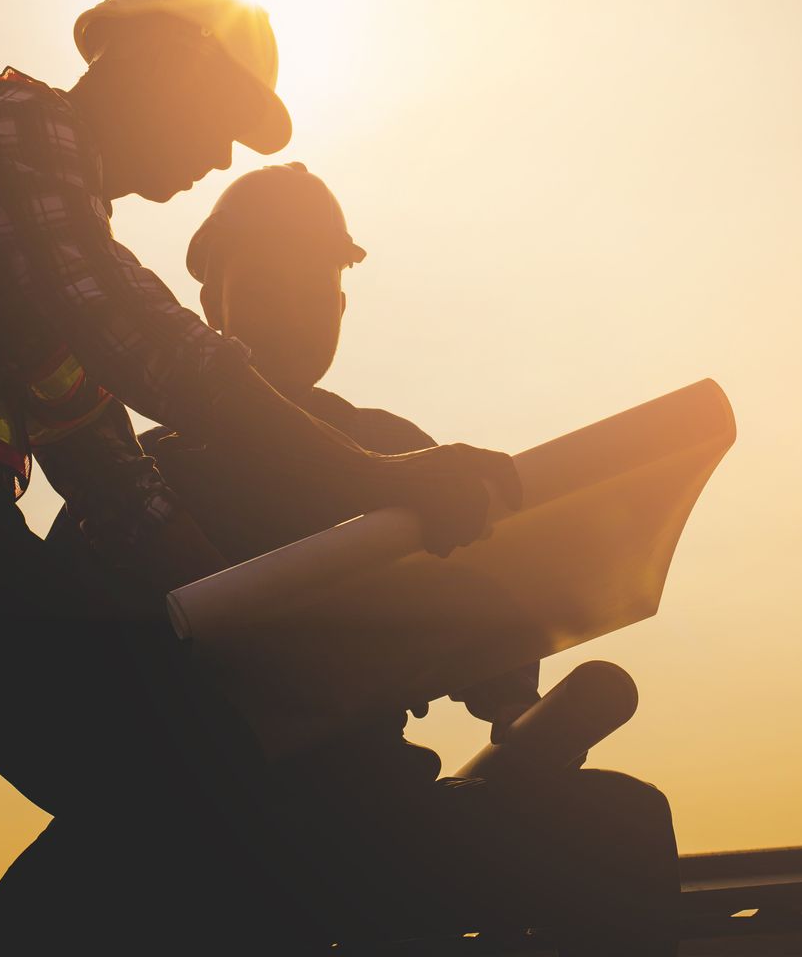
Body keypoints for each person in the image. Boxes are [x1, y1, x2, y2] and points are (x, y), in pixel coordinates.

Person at [0, 0, 516, 948]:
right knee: (189, 775)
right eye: (224, 119)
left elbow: (113, 476)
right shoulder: (14, 132)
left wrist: (253, 622)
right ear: (166, 57)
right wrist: (374, 480)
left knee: (187, 767)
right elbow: (143, 336)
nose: (219, 156)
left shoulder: (27, 237)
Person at [49, 163, 682, 955]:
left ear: (343, 309)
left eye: (317, 295)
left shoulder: (399, 453)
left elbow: (489, 634)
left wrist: (521, 704)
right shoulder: (136, 481)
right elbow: (70, 671)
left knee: (621, 824)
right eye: (268, 287)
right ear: (210, 302)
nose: (294, 316)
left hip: (374, 821)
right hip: (200, 836)